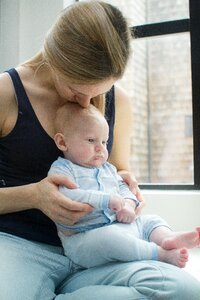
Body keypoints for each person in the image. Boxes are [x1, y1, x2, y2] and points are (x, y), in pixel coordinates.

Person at [0, 1, 199, 299]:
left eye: (98, 92)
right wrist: (35, 196)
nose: (87, 103)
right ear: (56, 58)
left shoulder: (120, 100)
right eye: (77, 91)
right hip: (22, 247)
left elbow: (116, 170)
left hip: (99, 249)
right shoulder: (6, 94)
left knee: (184, 289)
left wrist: (127, 184)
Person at [49, 102, 200, 269]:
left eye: (105, 142)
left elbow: (123, 188)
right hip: (86, 240)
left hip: (121, 224)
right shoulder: (62, 169)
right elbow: (67, 195)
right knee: (112, 239)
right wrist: (106, 200)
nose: (100, 148)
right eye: (91, 140)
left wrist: (128, 204)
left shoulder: (107, 169)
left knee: (151, 221)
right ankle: (160, 253)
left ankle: (168, 238)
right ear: (63, 142)